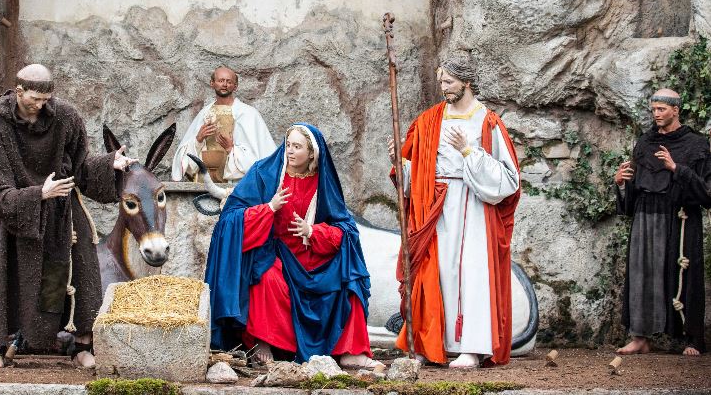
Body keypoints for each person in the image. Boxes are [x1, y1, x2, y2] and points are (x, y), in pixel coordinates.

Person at [0, 64, 136, 369]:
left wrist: (109, 165)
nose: (41, 105)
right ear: (19, 91)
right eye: (34, 99)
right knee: (10, 274)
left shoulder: (65, 116)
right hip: (17, 213)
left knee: (82, 271)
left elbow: (81, 167)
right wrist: (37, 194)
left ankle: (81, 346)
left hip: (63, 206)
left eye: (46, 99)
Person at [204, 123, 380, 369]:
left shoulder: (323, 182)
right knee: (266, 276)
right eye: (288, 145)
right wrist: (269, 209)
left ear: (312, 153)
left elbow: (346, 230)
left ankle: (350, 351)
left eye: (297, 147)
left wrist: (313, 231)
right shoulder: (264, 173)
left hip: (313, 257)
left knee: (347, 278)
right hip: (275, 253)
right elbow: (231, 218)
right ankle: (262, 341)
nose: (290, 151)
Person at [391, 57, 519, 368]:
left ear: (467, 82)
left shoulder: (488, 122)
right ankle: (429, 342)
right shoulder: (429, 120)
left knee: (472, 275)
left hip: (474, 207)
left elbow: (509, 180)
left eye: (449, 81)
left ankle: (471, 348)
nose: (444, 87)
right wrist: (400, 162)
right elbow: (414, 172)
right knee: (434, 273)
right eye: (441, 81)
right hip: (434, 206)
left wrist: (468, 151)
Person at [614, 88, 710, 357]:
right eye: (653, 109)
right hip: (646, 214)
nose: (656, 114)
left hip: (679, 216)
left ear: (675, 110)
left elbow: (706, 191)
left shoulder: (696, 144)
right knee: (641, 273)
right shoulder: (645, 142)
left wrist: (676, 168)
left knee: (684, 273)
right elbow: (635, 186)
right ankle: (640, 337)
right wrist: (622, 183)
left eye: (661, 109)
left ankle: (693, 340)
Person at [171, 67, 276, 183]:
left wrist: (231, 149)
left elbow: (263, 158)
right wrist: (198, 140)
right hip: (205, 185)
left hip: (237, 187)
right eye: (221, 80)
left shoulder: (248, 114)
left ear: (235, 86)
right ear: (212, 83)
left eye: (229, 81)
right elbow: (185, 159)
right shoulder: (204, 114)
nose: (225, 84)